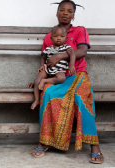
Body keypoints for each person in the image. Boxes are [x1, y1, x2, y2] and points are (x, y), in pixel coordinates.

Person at [28, 0, 105, 164]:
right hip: (57, 76)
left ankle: (94, 146)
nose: (65, 13)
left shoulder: (80, 31)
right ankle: (44, 142)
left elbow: (83, 51)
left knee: (83, 97)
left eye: (69, 11)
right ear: (56, 13)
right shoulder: (50, 36)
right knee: (47, 93)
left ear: (73, 15)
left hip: (77, 74)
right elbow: (44, 57)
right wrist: (42, 72)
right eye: (62, 10)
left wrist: (61, 56)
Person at [31, 25, 76, 110]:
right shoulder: (48, 48)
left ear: (66, 38)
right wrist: (41, 66)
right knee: (36, 80)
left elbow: (72, 54)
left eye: (62, 36)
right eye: (56, 36)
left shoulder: (67, 47)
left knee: (62, 78)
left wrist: (71, 65)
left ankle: (45, 81)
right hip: (47, 69)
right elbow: (43, 58)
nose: (59, 38)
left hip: (59, 70)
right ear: (51, 38)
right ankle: (37, 100)